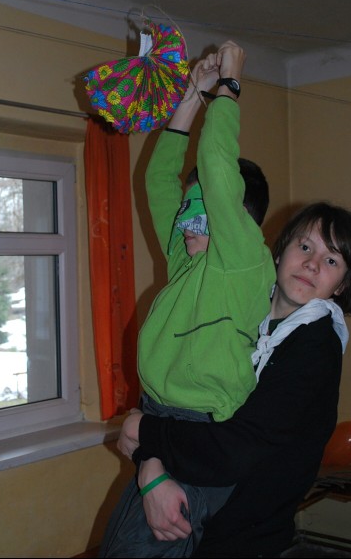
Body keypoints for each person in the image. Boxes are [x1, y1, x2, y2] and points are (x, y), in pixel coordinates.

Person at [116, 201, 351, 558]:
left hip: (238, 539)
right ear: (279, 251)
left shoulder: (315, 346)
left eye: (331, 261)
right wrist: (150, 465)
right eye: (304, 246)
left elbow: (234, 452)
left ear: (342, 285)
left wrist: (144, 432)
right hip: (190, 509)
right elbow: (183, 395)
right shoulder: (243, 310)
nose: (312, 264)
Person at [97, 41, 276, 558]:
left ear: (239, 218)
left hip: (198, 434)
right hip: (159, 419)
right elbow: (158, 179)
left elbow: (216, 170)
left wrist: (230, 87)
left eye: (202, 210)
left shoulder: (242, 262)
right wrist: (192, 95)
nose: (187, 222)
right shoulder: (188, 262)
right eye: (186, 210)